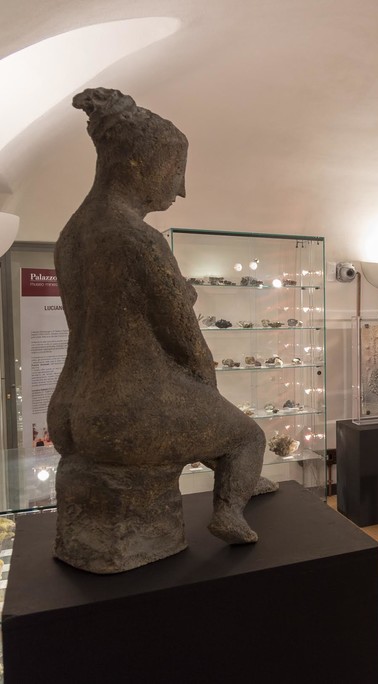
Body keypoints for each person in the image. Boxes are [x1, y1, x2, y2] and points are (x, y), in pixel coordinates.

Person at [47, 88, 269, 571]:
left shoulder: (71, 234)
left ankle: (229, 465)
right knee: (246, 435)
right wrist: (211, 394)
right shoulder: (138, 238)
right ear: (139, 164)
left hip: (68, 410)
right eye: (176, 170)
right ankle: (229, 509)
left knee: (200, 418)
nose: (181, 188)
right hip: (129, 413)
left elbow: (101, 315)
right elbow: (187, 342)